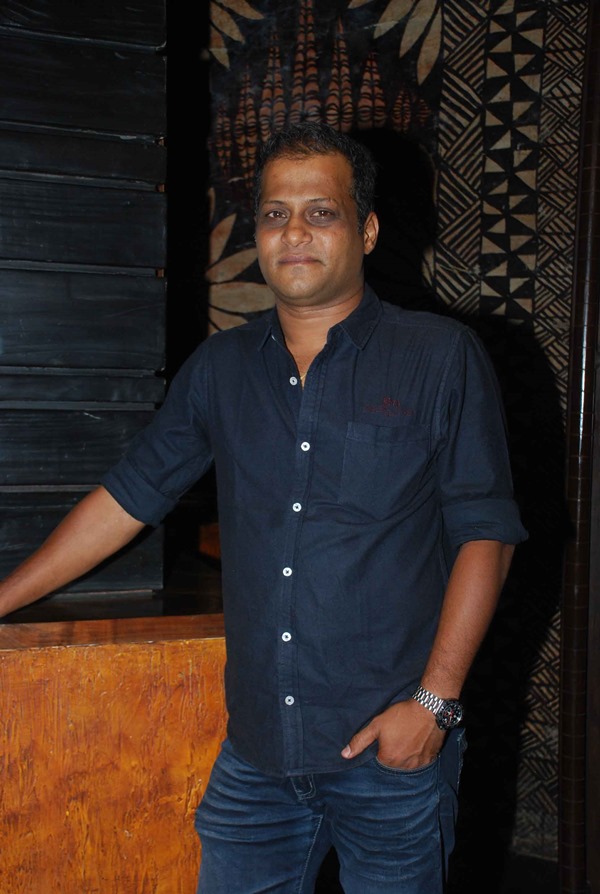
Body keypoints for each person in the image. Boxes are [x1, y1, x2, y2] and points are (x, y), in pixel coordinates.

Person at [0, 123, 527, 893]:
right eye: (276, 214)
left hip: (389, 750)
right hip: (257, 757)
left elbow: (488, 533)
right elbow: (128, 497)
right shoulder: (220, 368)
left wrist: (434, 704)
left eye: (321, 212)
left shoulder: (439, 356)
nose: (295, 232)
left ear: (367, 230)